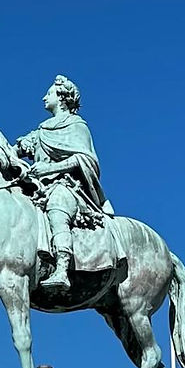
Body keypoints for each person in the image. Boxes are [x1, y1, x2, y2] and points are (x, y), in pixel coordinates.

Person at [15, 76, 113, 292]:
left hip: (67, 187)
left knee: (57, 208)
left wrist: (50, 169)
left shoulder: (77, 126)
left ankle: (61, 269)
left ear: (61, 99)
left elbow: (86, 160)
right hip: (38, 189)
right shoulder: (41, 131)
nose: (43, 97)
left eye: (48, 94)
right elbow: (16, 150)